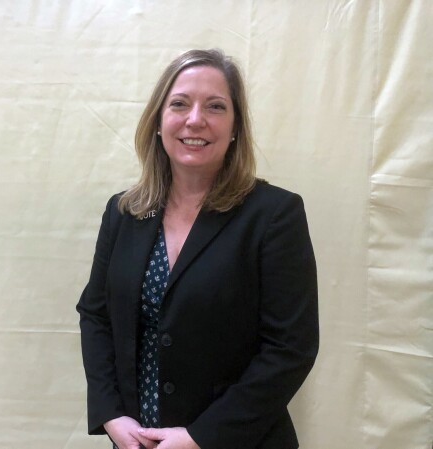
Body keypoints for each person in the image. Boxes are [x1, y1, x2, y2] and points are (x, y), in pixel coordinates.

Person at [76, 48, 318, 449]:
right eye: (180, 104)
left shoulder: (274, 214)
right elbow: (96, 316)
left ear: (236, 126)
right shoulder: (124, 212)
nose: (195, 119)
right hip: (138, 441)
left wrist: (200, 438)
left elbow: (290, 348)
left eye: (216, 106)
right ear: (158, 121)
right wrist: (111, 414)